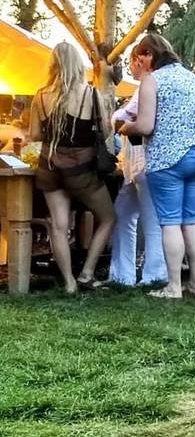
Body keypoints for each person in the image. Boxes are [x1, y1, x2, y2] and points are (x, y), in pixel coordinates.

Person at [121, 34, 195, 299]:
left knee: (171, 222)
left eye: (140, 58)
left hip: (169, 159)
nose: (140, 66)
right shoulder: (191, 76)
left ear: (149, 54)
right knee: (192, 220)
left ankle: (173, 286)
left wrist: (128, 128)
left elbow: (146, 125)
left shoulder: (154, 80)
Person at [28, 42, 116, 293]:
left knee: (58, 224)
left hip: (50, 166)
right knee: (108, 217)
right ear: (78, 64)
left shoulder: (41, 95)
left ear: (53, 65)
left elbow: (34, 134)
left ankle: (68, 283)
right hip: (82, 170)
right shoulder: (90, 94)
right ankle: (87, 273)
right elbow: (107, 130)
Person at [109, 47, 167, 287]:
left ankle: (154, 274)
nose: (130, 68)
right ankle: (123, 274)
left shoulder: (149, 85)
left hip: (145, 159)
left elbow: (128, 118)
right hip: (133, 162)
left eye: (132, 63)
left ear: (140, 61)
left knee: (150, 218)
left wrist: (121, 120)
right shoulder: (145, 87)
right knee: (123, 212)